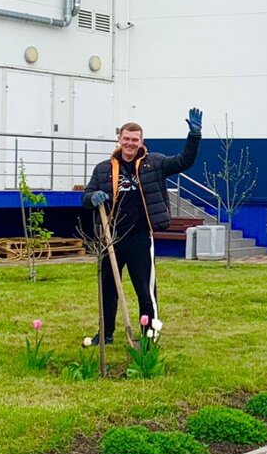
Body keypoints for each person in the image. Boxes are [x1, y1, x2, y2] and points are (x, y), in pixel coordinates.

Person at [82, 110, 202, 344]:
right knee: (108, 289)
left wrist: (194, 136)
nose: (130, 143)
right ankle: (105, 334)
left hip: (140, 238)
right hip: (111, 238)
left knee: (145, 290)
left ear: (141, 142)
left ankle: (149, 334)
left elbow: (183, 161)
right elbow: (85, 197)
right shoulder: (103, 169)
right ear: (120, 140)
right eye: (126, 139)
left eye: (134, 140)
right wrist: (93, 196)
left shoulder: (154, 164)